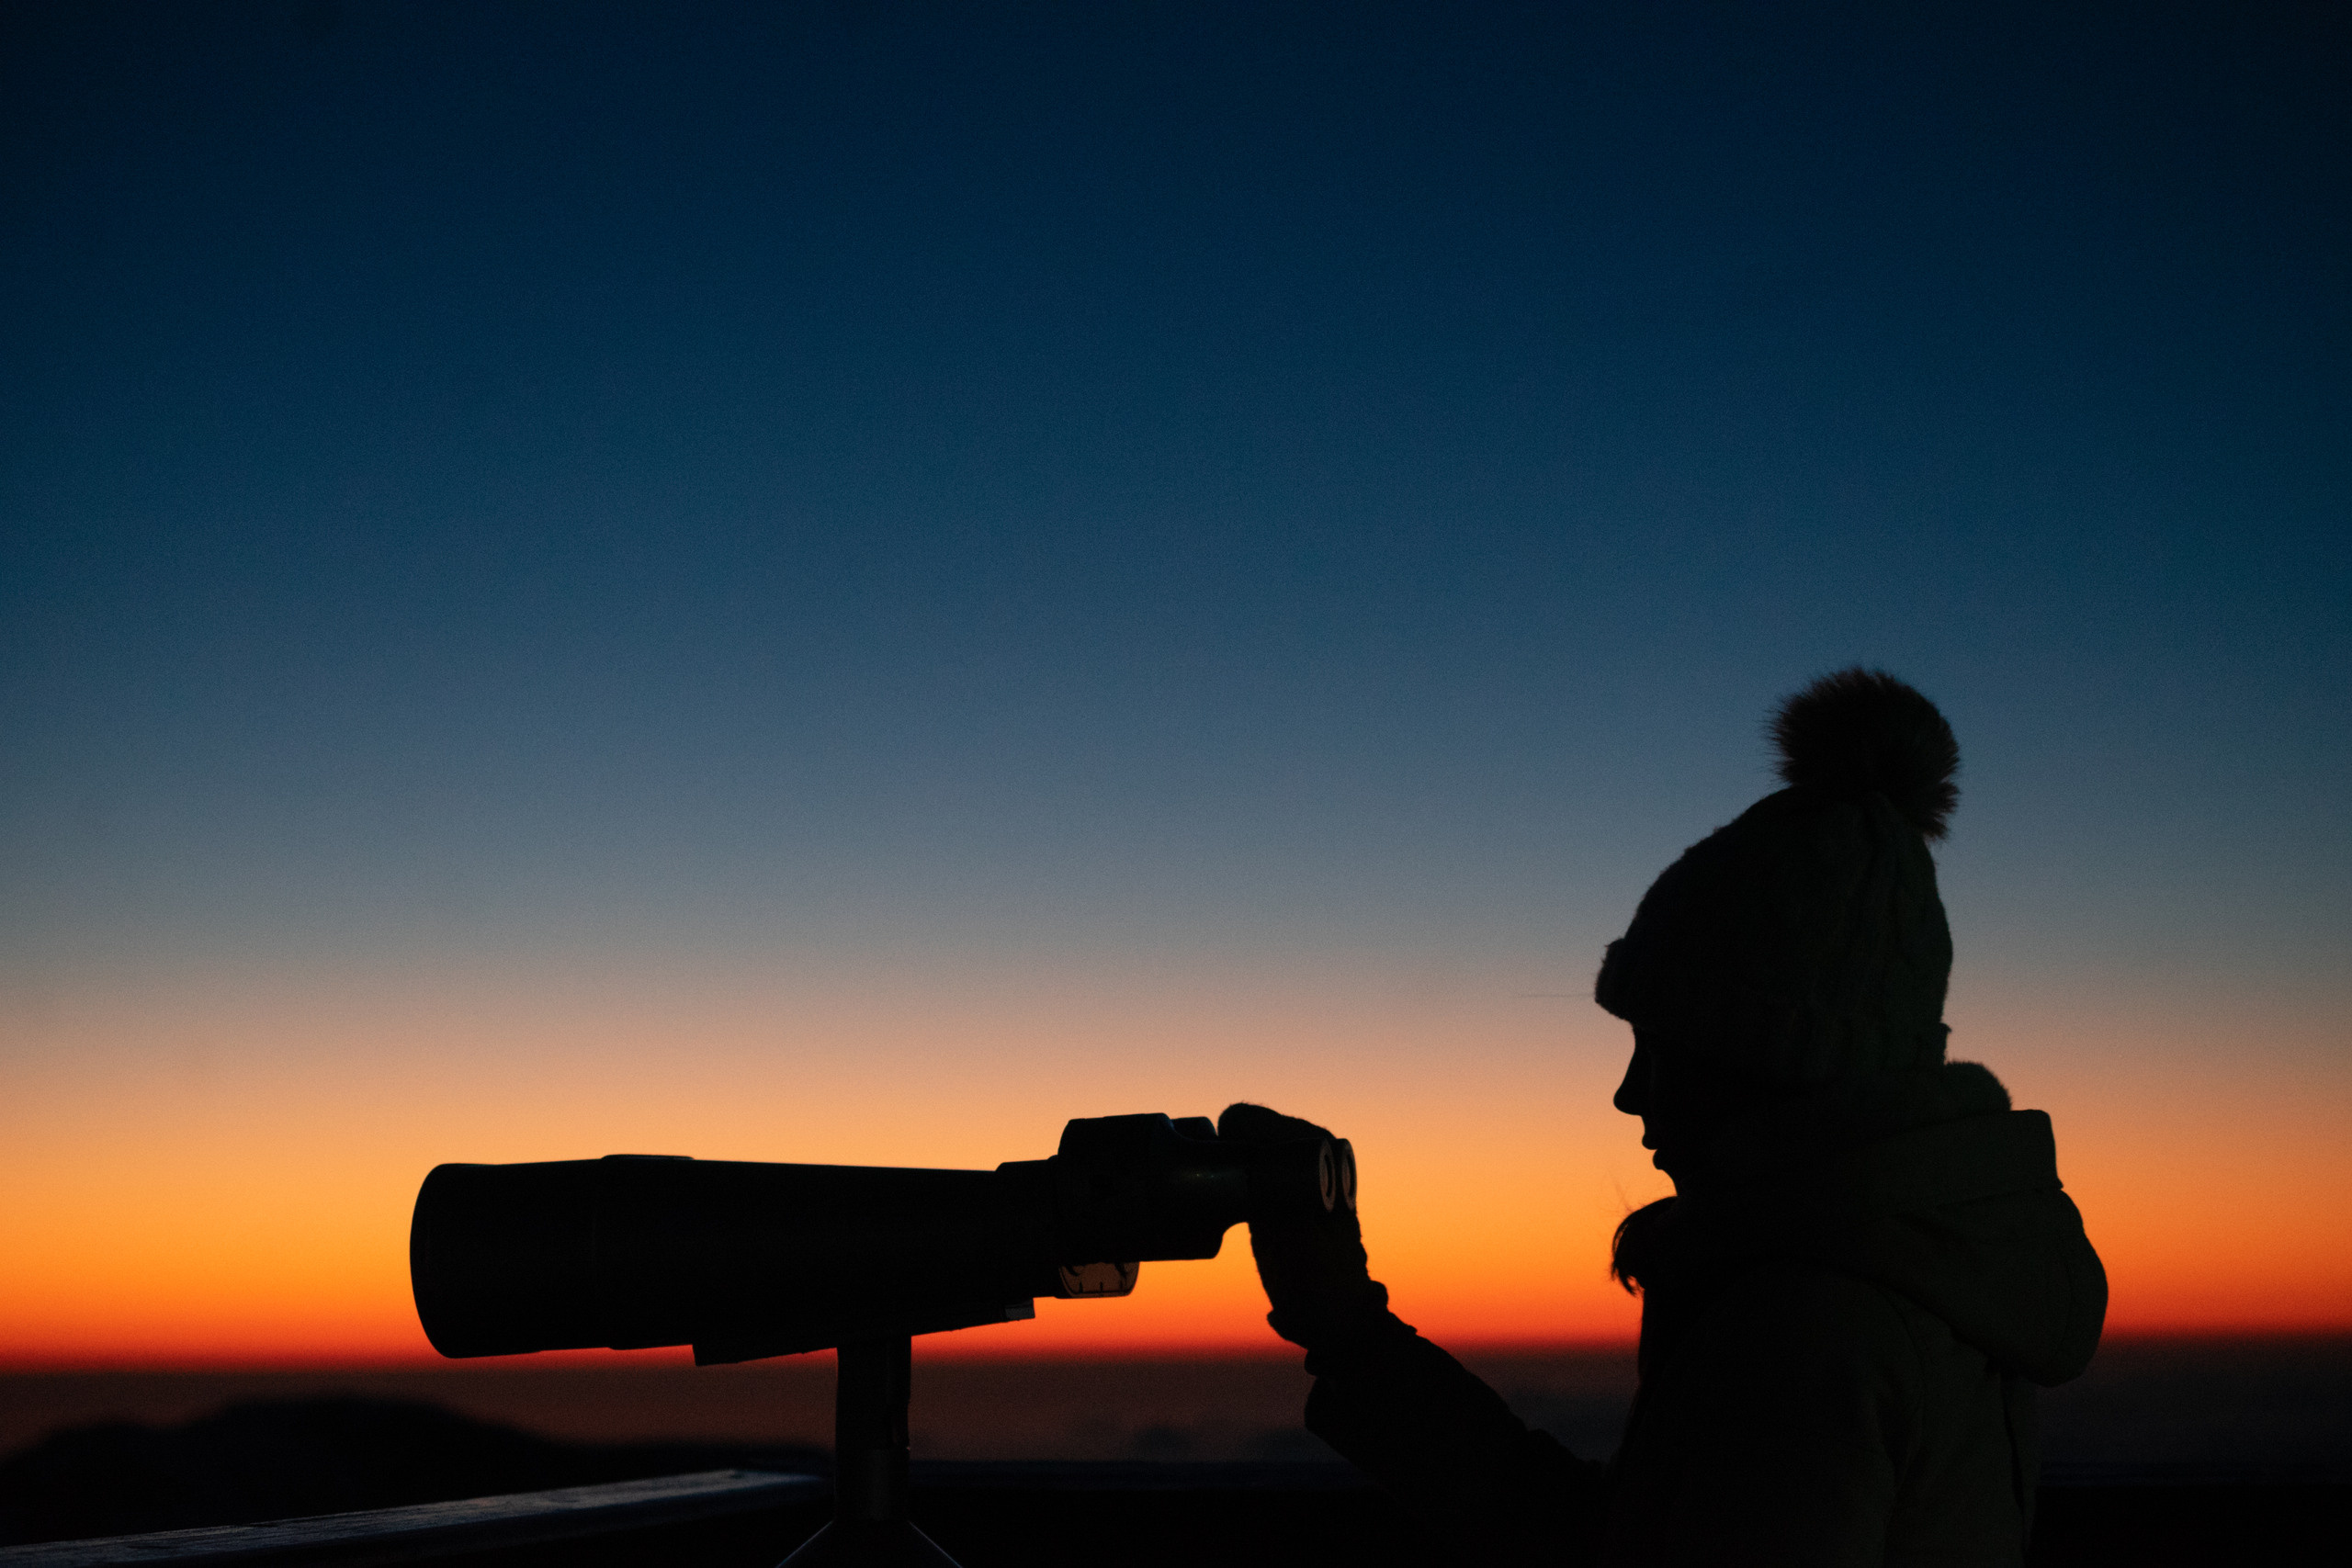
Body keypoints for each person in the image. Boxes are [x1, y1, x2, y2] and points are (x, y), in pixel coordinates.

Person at [1220, 669, 2107, 1566]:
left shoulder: (1805, 1332)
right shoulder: (1917, 1274)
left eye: (1664, 1050)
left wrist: (1347, 1332)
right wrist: (1348, 1329)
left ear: (1768, 1063)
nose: (1630, 1093)